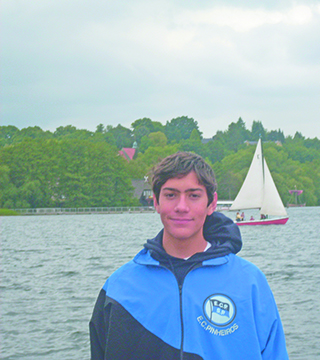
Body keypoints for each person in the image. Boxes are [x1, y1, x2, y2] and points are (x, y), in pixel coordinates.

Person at [89, 152, 289, 360]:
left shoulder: (250, 283)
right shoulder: (118, 288)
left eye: (193, 195)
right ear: (155, 201)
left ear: (212, 204)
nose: (181, 207)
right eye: (170, 195)